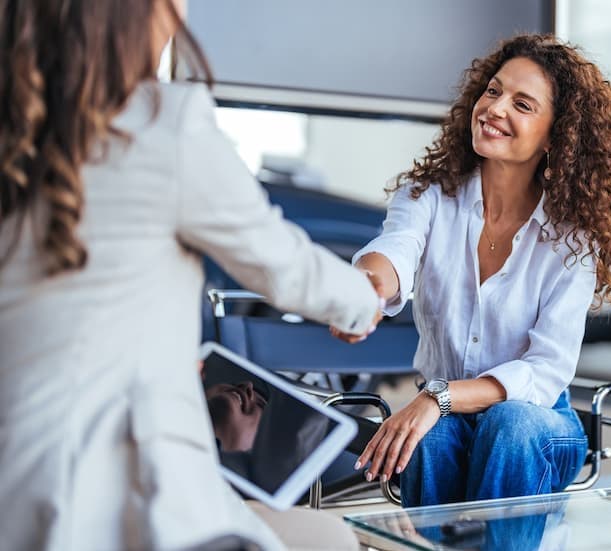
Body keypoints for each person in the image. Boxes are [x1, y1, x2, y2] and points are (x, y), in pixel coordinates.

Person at [0, 1, 376, 549]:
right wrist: (363, 302)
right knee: (334, 540)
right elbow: (284, 265)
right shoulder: (159, 124)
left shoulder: (16, 128)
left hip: (16, 481)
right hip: (118, 495)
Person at [346, 34, 611, 507]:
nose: (495, 108)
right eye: (492, 90)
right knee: (431, 440)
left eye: (522, 104)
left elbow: (545, 372)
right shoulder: (428, 198)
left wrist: (436, 397)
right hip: (445, 418)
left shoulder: (572, 238)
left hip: (540, 425)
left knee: (511, 425)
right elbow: (394, 251)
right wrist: (364, 289)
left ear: (555, 134)